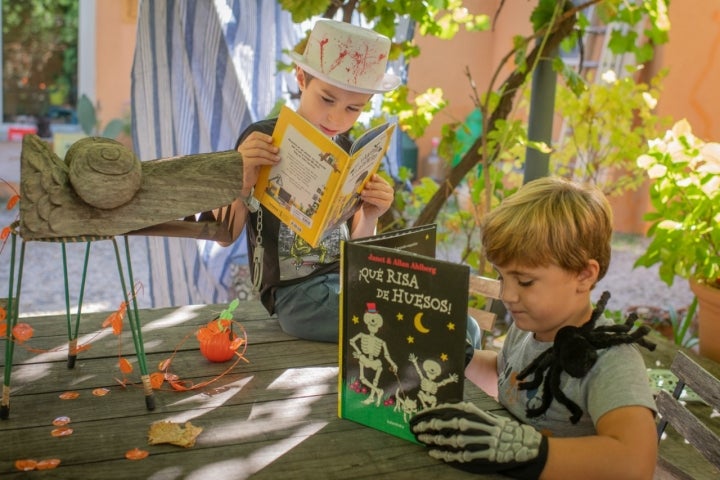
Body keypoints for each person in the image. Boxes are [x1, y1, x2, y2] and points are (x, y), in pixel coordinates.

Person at [223, 19, 482, 347]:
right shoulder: (262, 138)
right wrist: (242, 177)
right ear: (302, 79)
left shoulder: (349, 152)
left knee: (463, 324)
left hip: (348, 285)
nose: (336, 118)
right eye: (327, 99)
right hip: (297, 297)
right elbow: (225, 236)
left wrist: (372, 213)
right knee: (444, 327)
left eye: (353, 108)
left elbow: (358, 251)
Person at [410, 177, 658, 479]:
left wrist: (526, 451)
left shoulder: (611, 361)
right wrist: (459, 356)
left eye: (525, 281)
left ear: (584, 274)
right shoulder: (527, 329)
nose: (508, 295)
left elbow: (636, 463)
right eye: (503, 278)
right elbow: (506, 376)